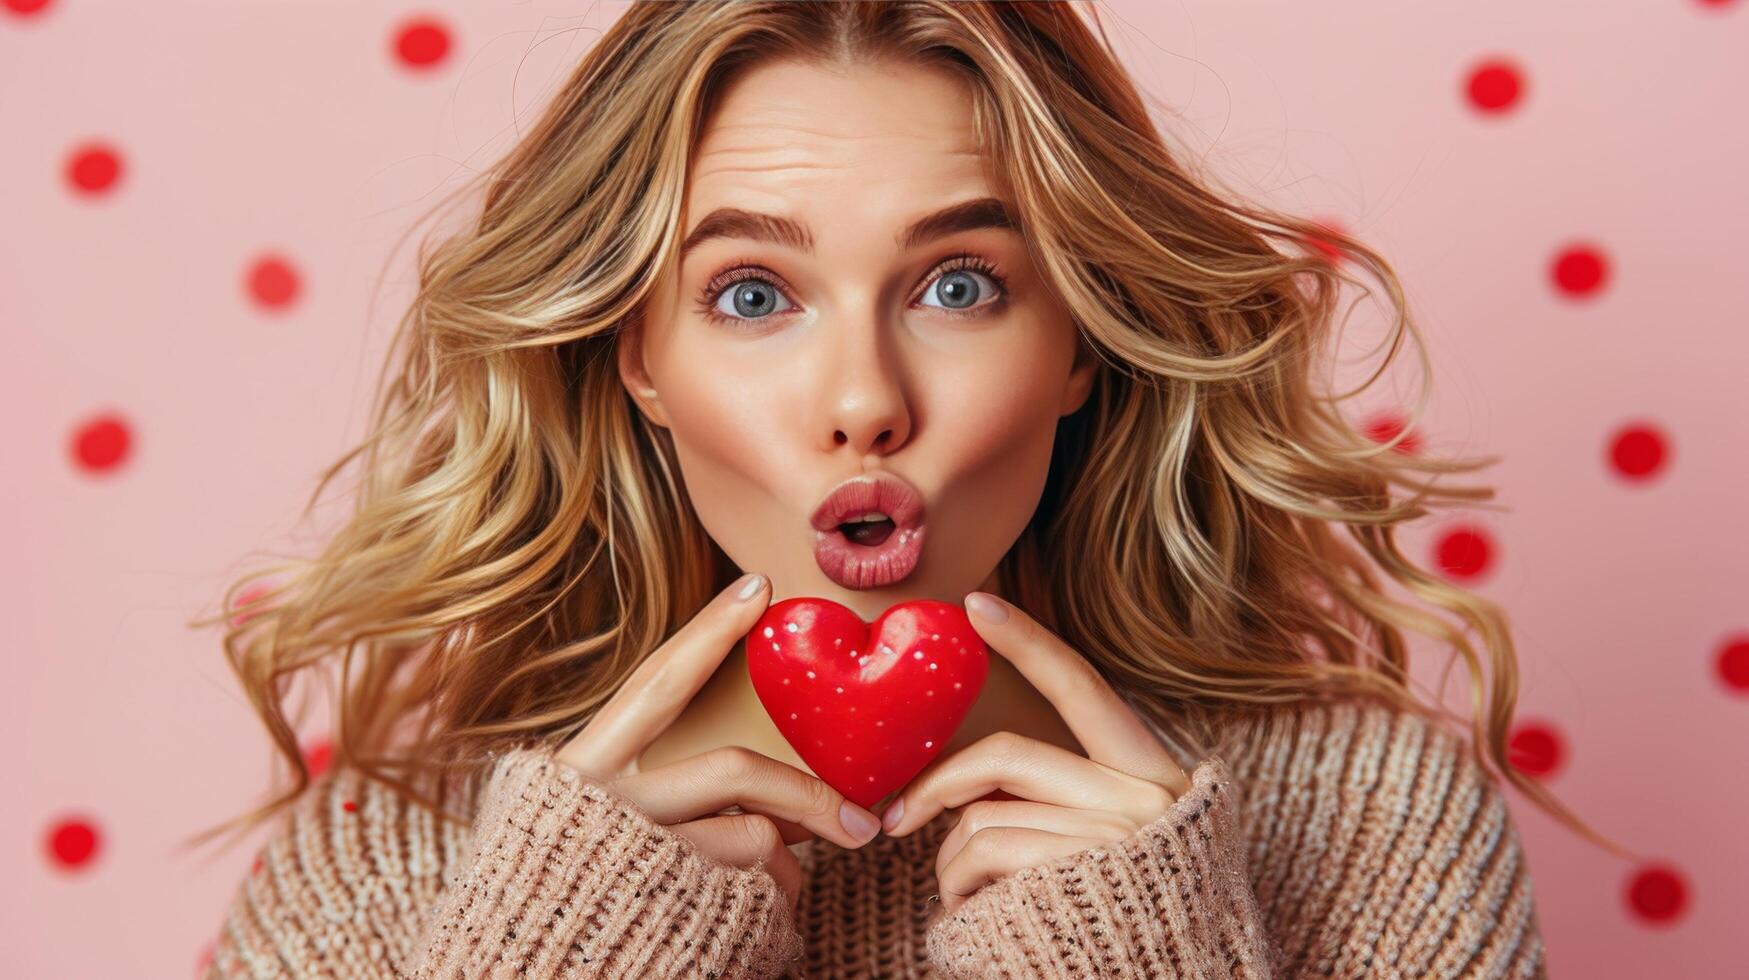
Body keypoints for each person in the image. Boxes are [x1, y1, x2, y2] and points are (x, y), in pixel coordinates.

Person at [191, 3, 1631, 977]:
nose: (864, 398)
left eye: (958, 285)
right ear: (638, 359)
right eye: (753, 293)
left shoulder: (1369, 821)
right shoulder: (393, 866)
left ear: (1078, 342)